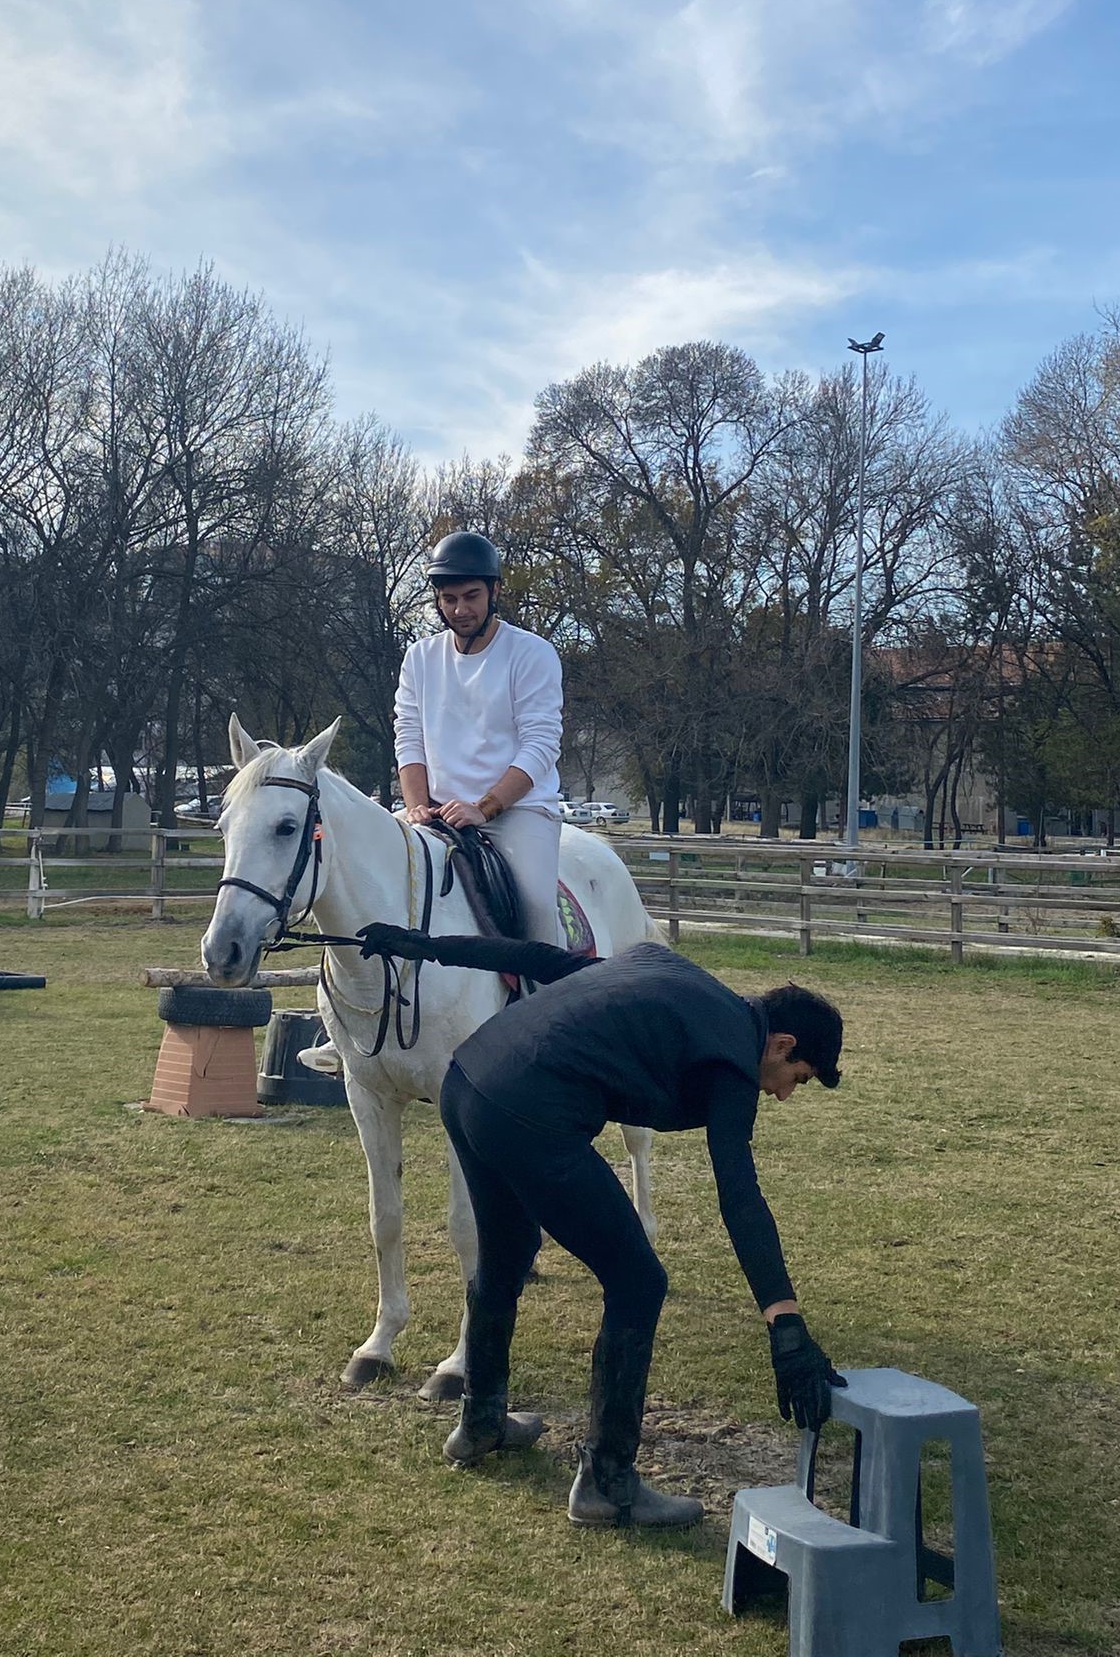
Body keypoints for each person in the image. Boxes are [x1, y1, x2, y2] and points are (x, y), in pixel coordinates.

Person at [356, 924, 846, 1529]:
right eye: (798, 1078)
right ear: (783, 1044)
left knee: (506, 1253)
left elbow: (535, 958)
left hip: (469, 1082)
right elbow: (739, 1195)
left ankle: (481, 1421)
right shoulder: (731, 1062)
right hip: (529, 1110)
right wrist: (785, 1323)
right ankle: (607, 1484)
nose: (786, 1096)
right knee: (638, 1281)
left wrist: (426, 944)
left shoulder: (662, 969)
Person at [394, 530, 564, 944]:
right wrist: (416, 807)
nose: (460, 610)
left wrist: (483, 809)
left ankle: (556, 981)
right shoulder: (419, 657)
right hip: (436, 812)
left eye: (471, 596)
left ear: (495, 590)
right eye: (449, 599)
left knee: (536, 907)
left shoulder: (532, 653)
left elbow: (541, 745)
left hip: (518, 813)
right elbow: (409, 736)